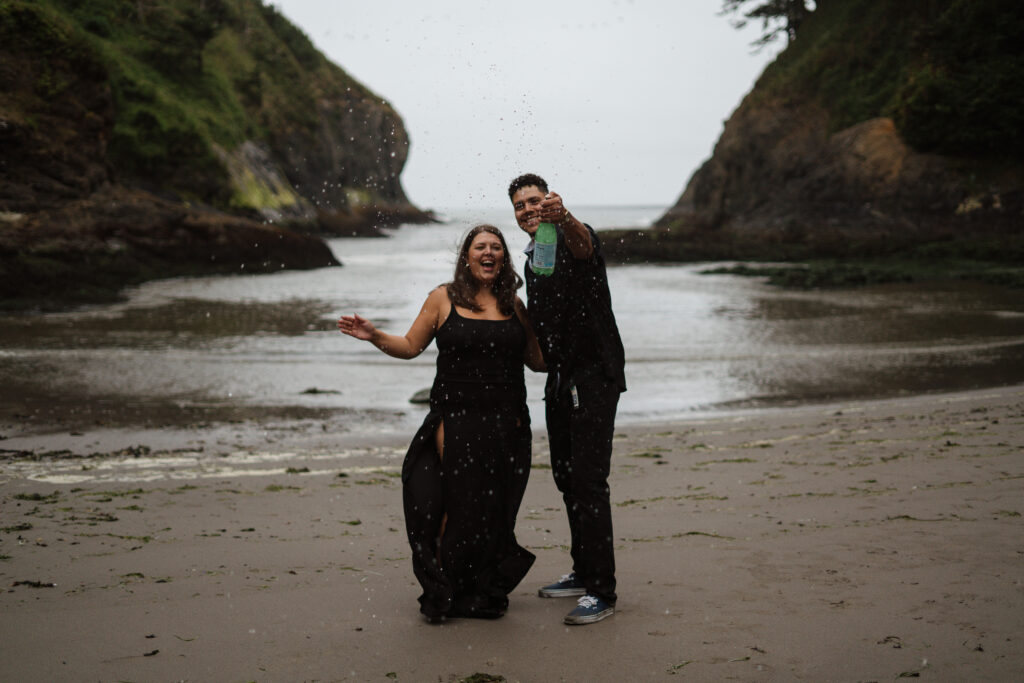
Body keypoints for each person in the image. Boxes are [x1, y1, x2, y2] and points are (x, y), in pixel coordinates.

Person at [338, 224, 545, 622]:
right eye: (480, 246)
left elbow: (538, 361)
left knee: (494, 510)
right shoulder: (442, 298)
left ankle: (480, 587)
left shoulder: (514, 305)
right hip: (457, 417)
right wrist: (374, 334)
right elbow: (410, 347)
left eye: (496, 247)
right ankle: (445, 588)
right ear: (466, 256)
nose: (489, 252)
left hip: (507, 422)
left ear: (504, 258)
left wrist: (571, 330)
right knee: (452, 506)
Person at [508, 173, 626, 625]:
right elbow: (541, 348)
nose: (529, 209)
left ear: (551, 202)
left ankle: (603, 592)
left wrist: (567, 217)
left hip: (594, 376)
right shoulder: (533, 260)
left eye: (535, 201)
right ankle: (583, 570)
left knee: (589, 482)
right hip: (559, 379)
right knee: (565, 477)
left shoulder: (577, 235)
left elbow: (582, 246)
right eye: (520, 205)